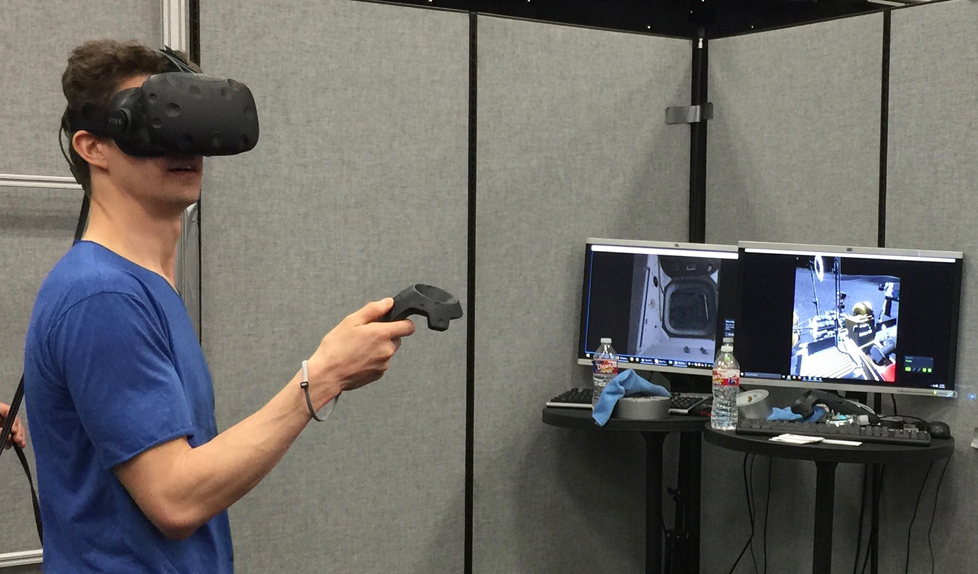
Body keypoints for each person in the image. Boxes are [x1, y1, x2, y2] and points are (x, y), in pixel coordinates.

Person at [22, 39, 415, 574]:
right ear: (94, 148)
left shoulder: (139, 285)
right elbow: (175, 499)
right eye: (156, 123)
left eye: (190, 122)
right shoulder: (102, 295)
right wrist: (321, 378)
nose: (184, 145)